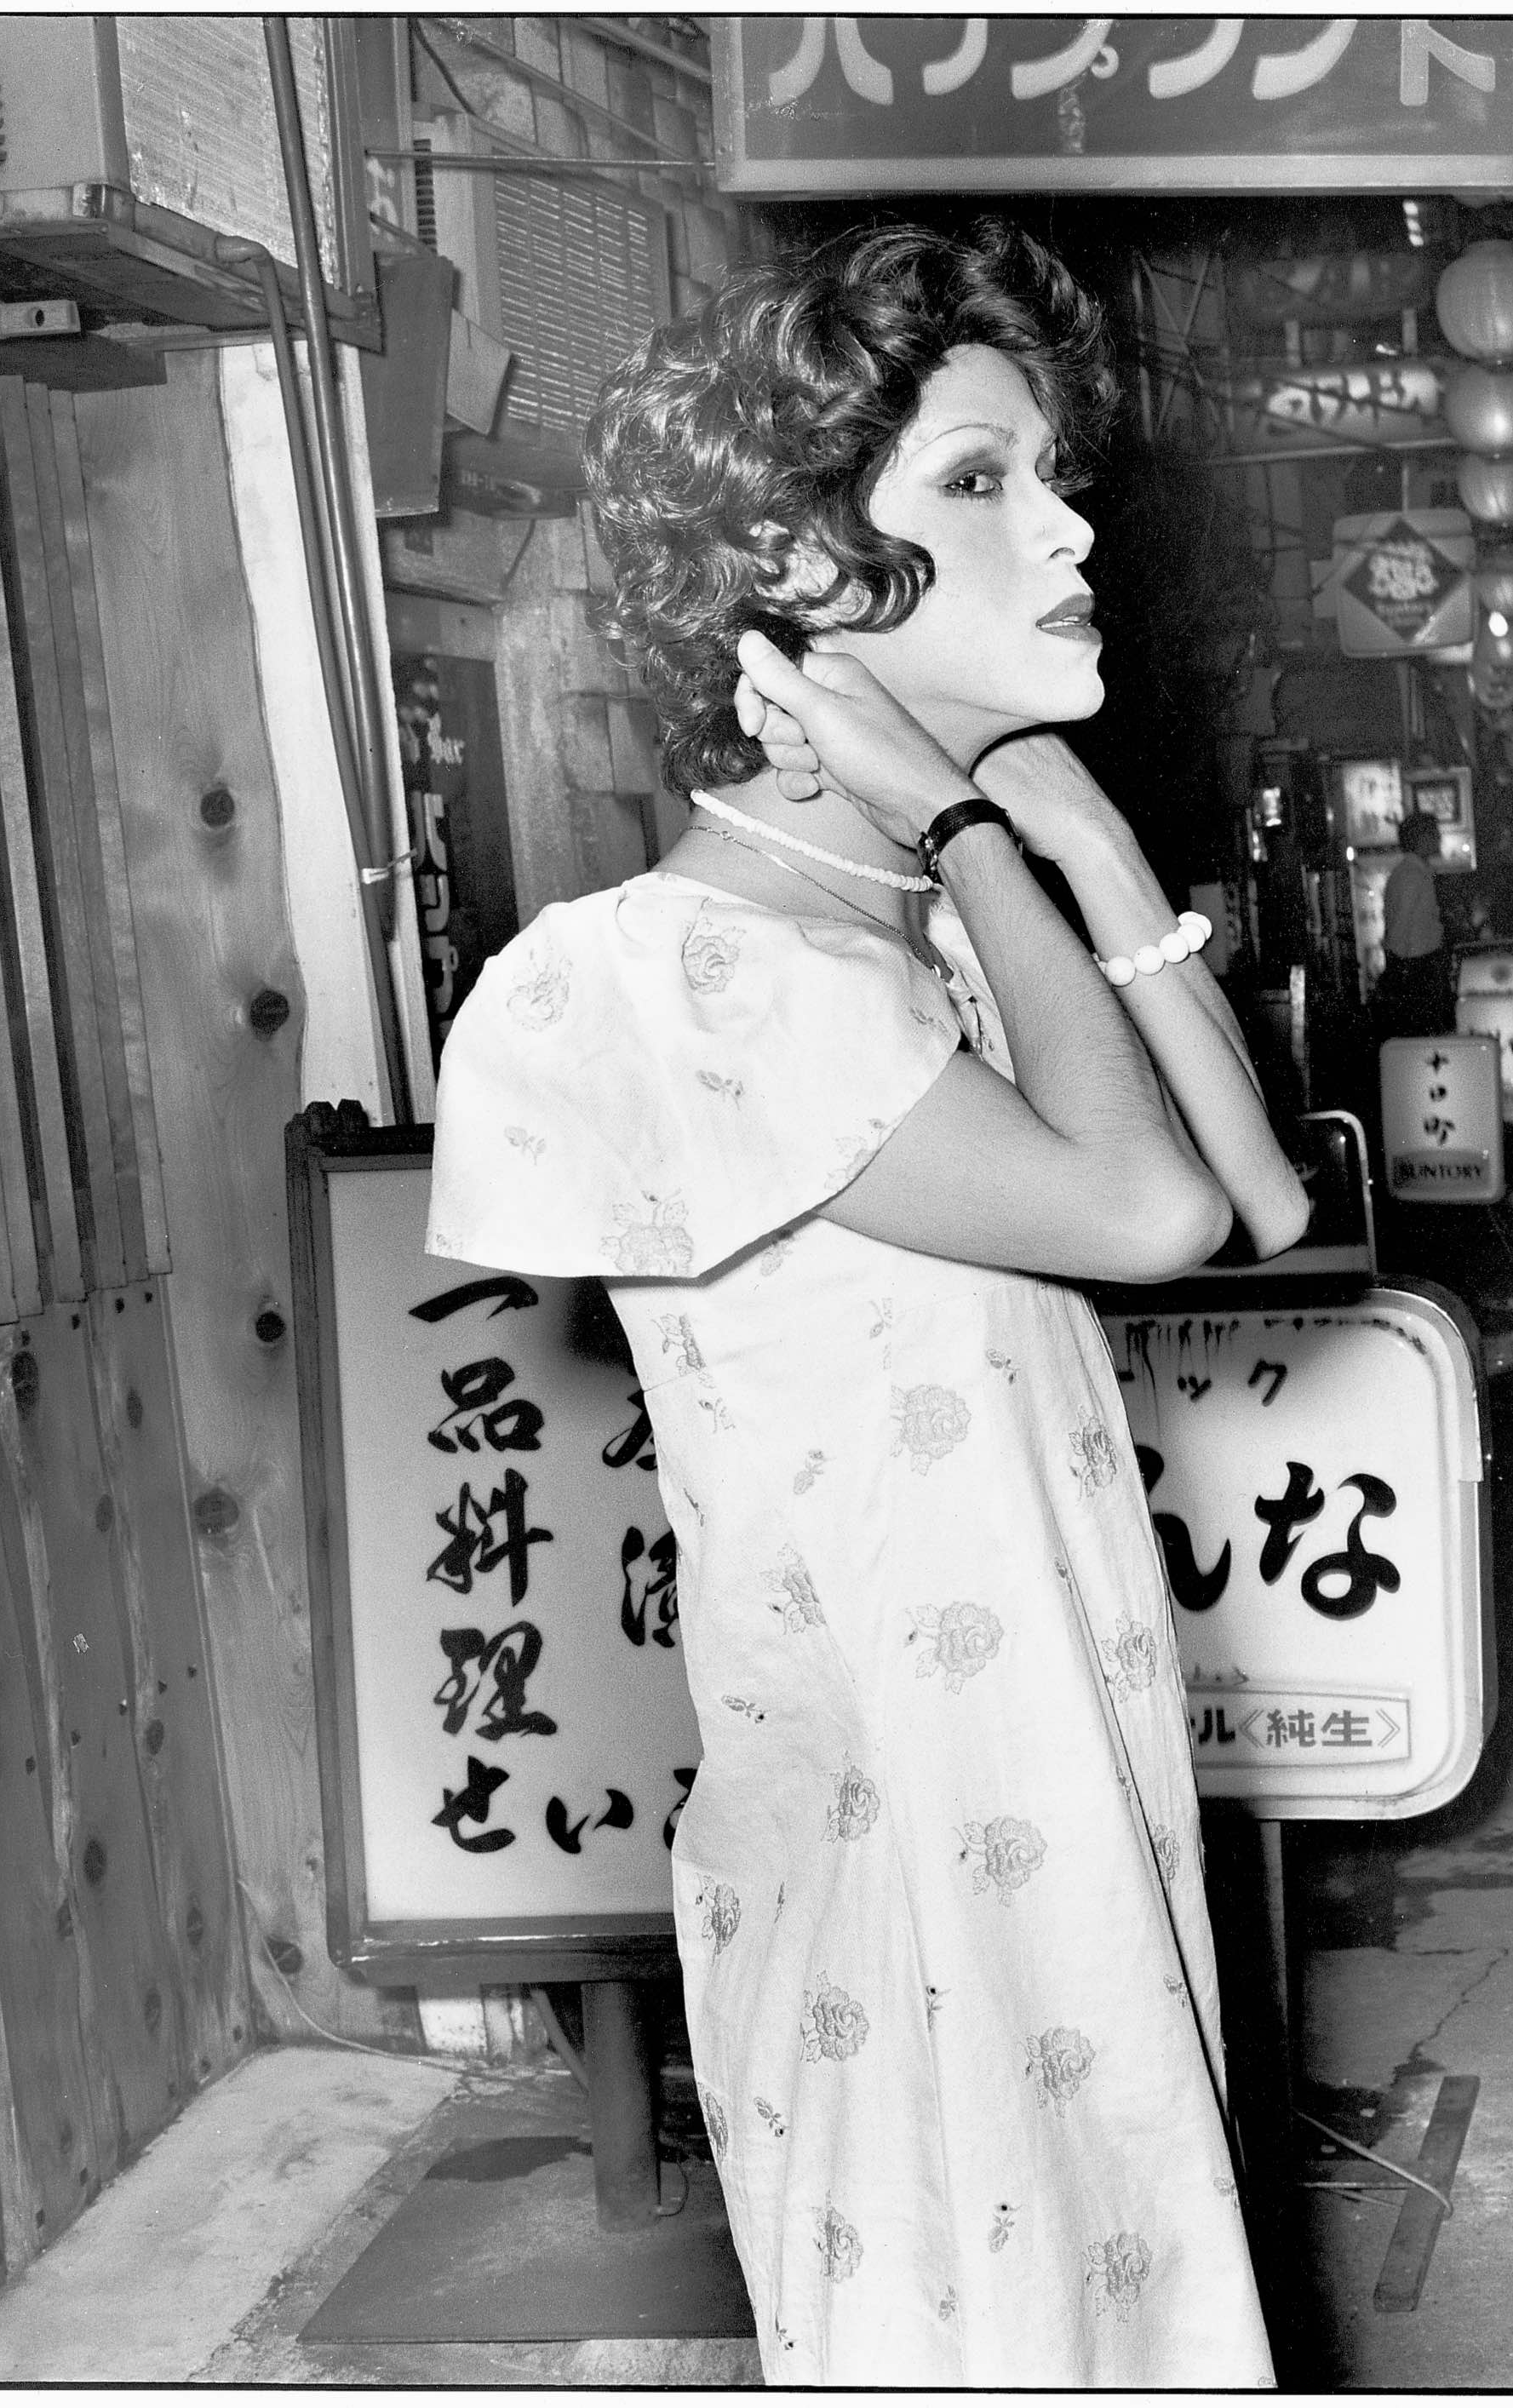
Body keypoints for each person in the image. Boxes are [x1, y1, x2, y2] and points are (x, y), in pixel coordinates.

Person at [424, 222, 1303, 2388]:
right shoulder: (672, 974)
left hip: (1049, 1808)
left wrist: (1077, 847)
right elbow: (1148, 1211)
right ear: (798, 572)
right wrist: (996, 844)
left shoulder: (892, 943)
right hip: (905, 1864)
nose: (1071, 519)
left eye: (1051, 470)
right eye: (985, 480)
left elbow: (1260, 1195)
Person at [1373, 810, 1452, 1034]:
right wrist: (1398, 970)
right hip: (1415, 968)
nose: (1439, 838)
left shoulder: (1417, 872)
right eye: (1434, 834)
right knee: (1421, 1030)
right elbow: (1400, 926)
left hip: (1419, 965)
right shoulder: (1410, 875)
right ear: (1421, 838)